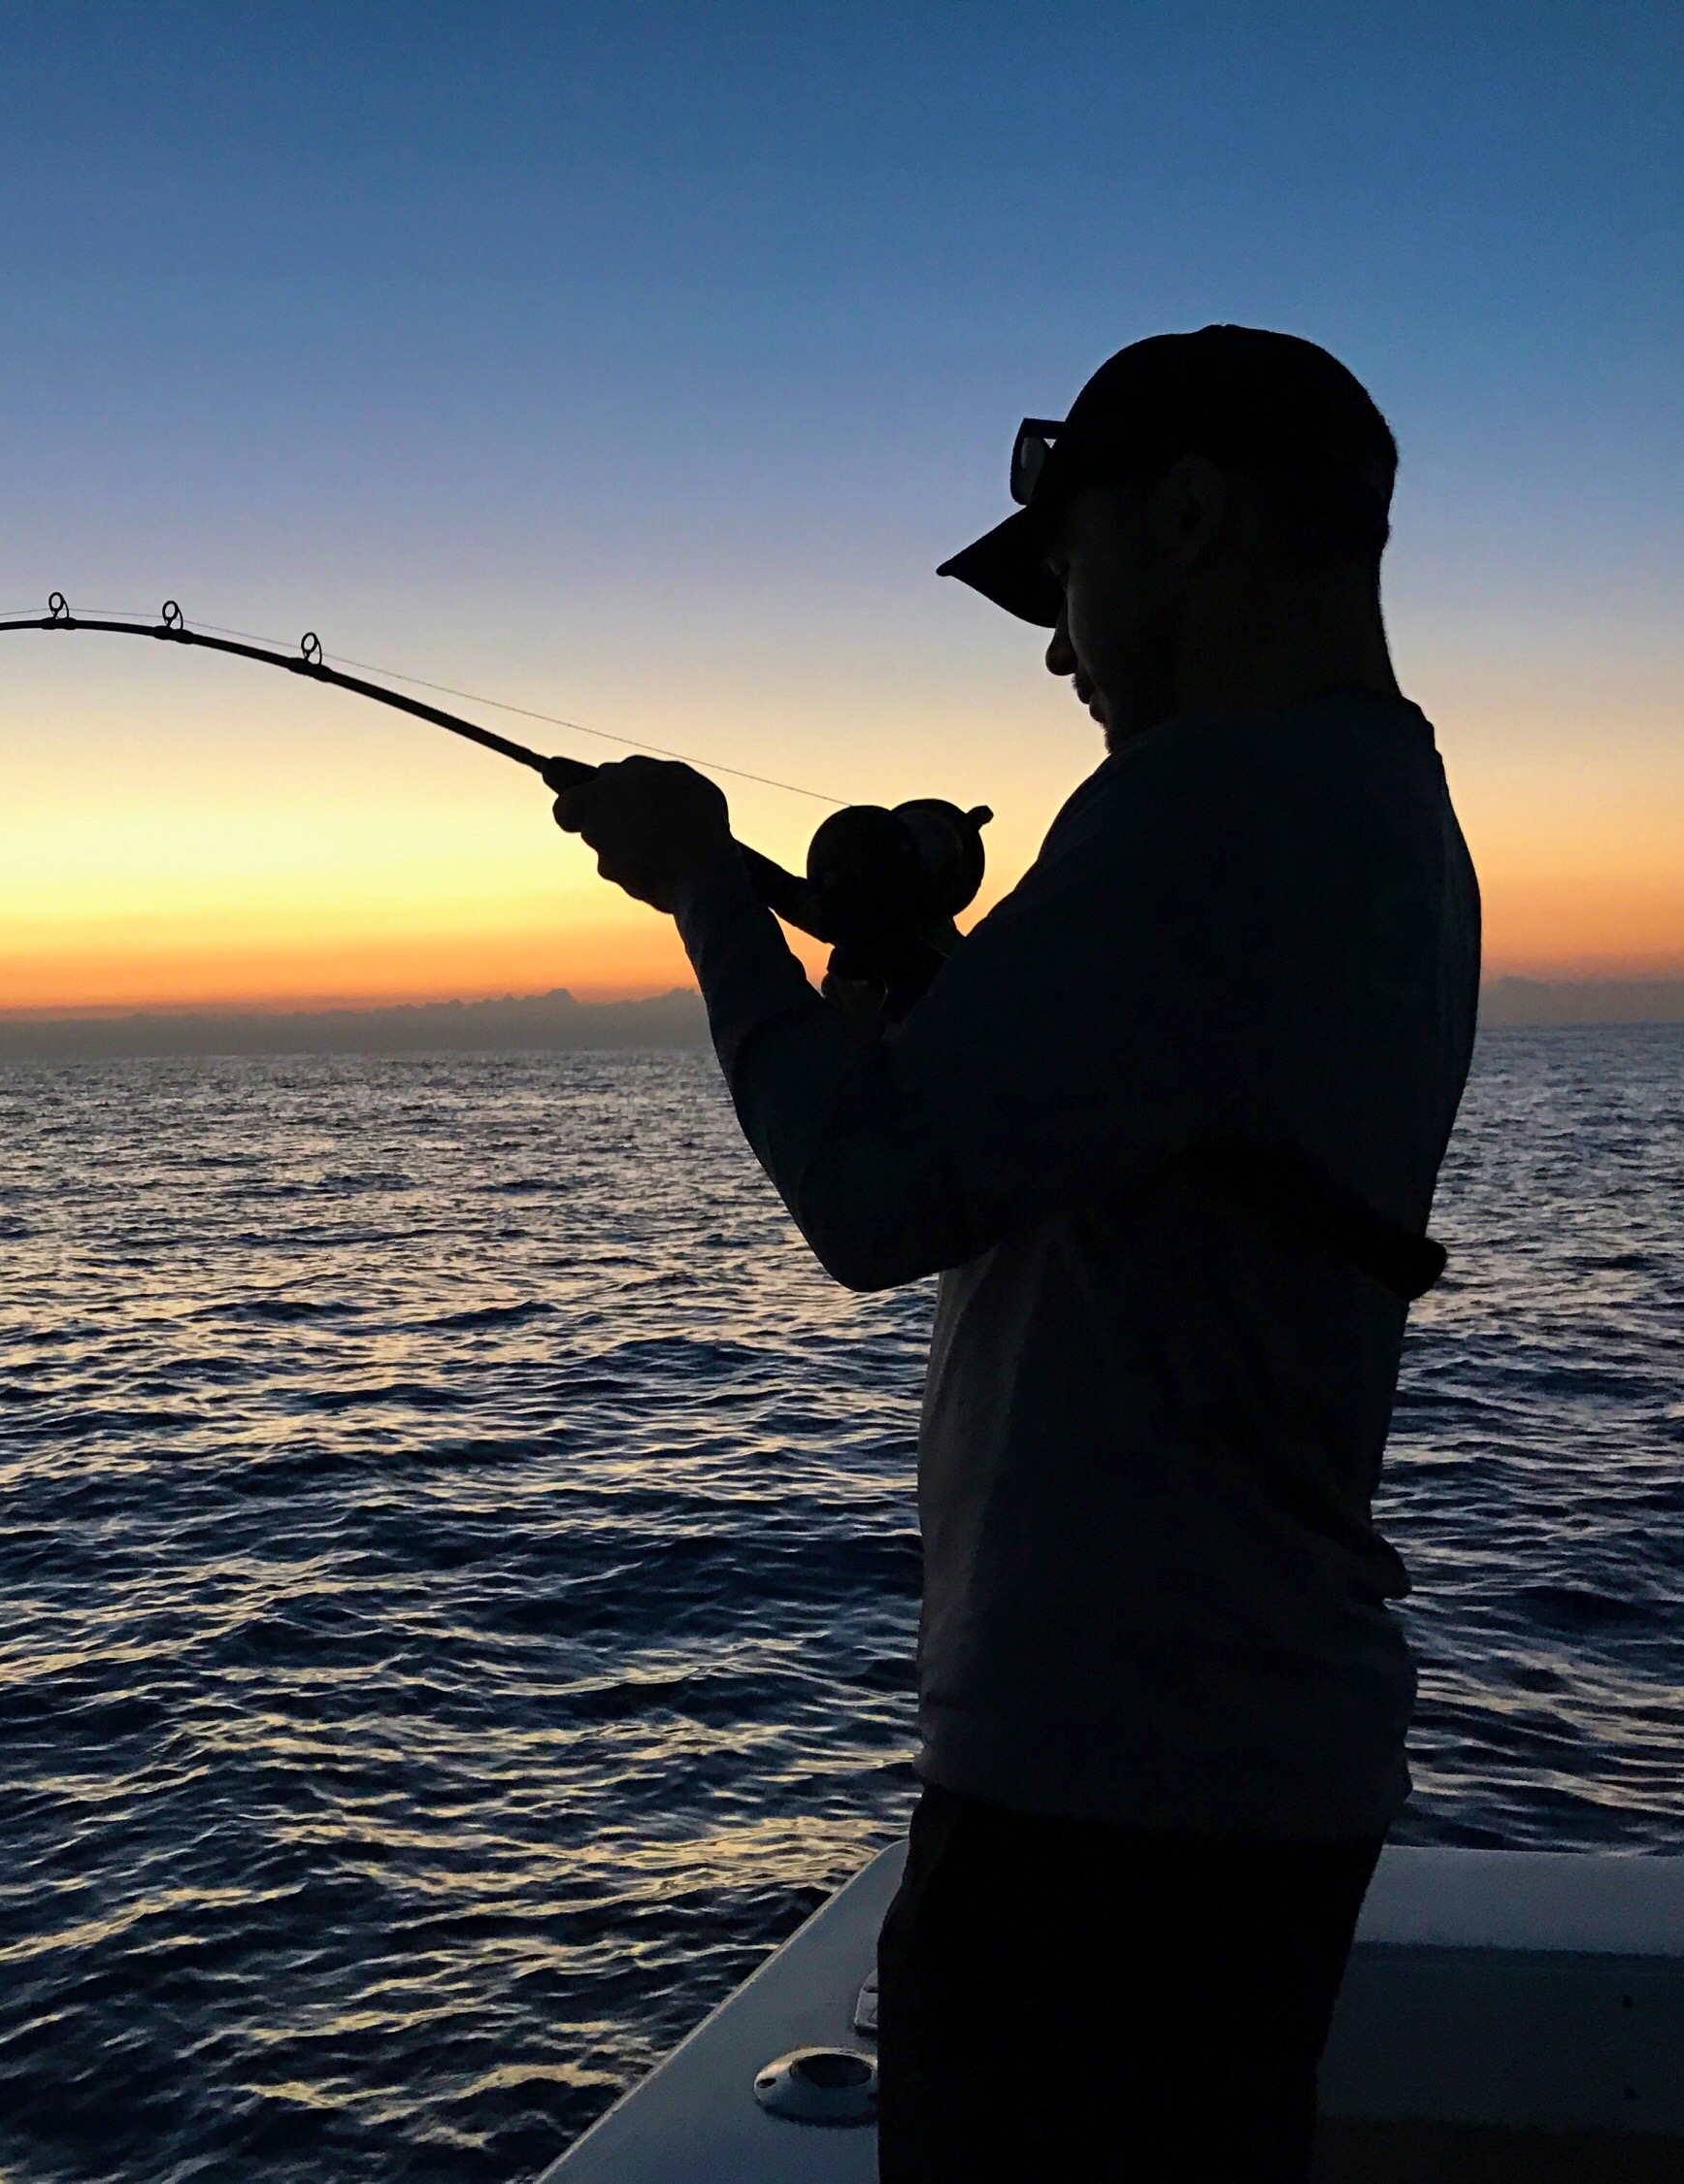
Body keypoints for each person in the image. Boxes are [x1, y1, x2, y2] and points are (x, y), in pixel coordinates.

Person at [553, 326, 1479, 2180]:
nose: (1056, 647)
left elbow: (871, 1198)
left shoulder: (1204, 811)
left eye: (1061, 578)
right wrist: (935, 998)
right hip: (1235, 1766)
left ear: (1195, 518)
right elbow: (1148, 1138)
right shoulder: (1377, 816)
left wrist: (713, 896)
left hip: (1109, 1804)